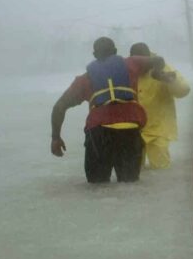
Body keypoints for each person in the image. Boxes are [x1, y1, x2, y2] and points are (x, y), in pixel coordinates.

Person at [50, 36, 165, 183]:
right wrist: (157, 73)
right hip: (129, 133)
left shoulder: (84, 80)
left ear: (94, 55)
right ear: (116, 52)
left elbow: (59, 107)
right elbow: (158, 60)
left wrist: (55, 138)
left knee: (97, 187)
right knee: (130, 186)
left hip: (99, 135)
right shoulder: (132, 63)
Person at [128, 42, 190, 170]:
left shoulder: (163, 67)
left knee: (161, 171)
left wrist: (169, 80)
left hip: (158, 130)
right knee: (132, 173)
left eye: (144, 62)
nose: (141, 65)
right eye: (138, 62)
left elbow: (184, 90)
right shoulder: (128, 69)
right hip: (134, 129)